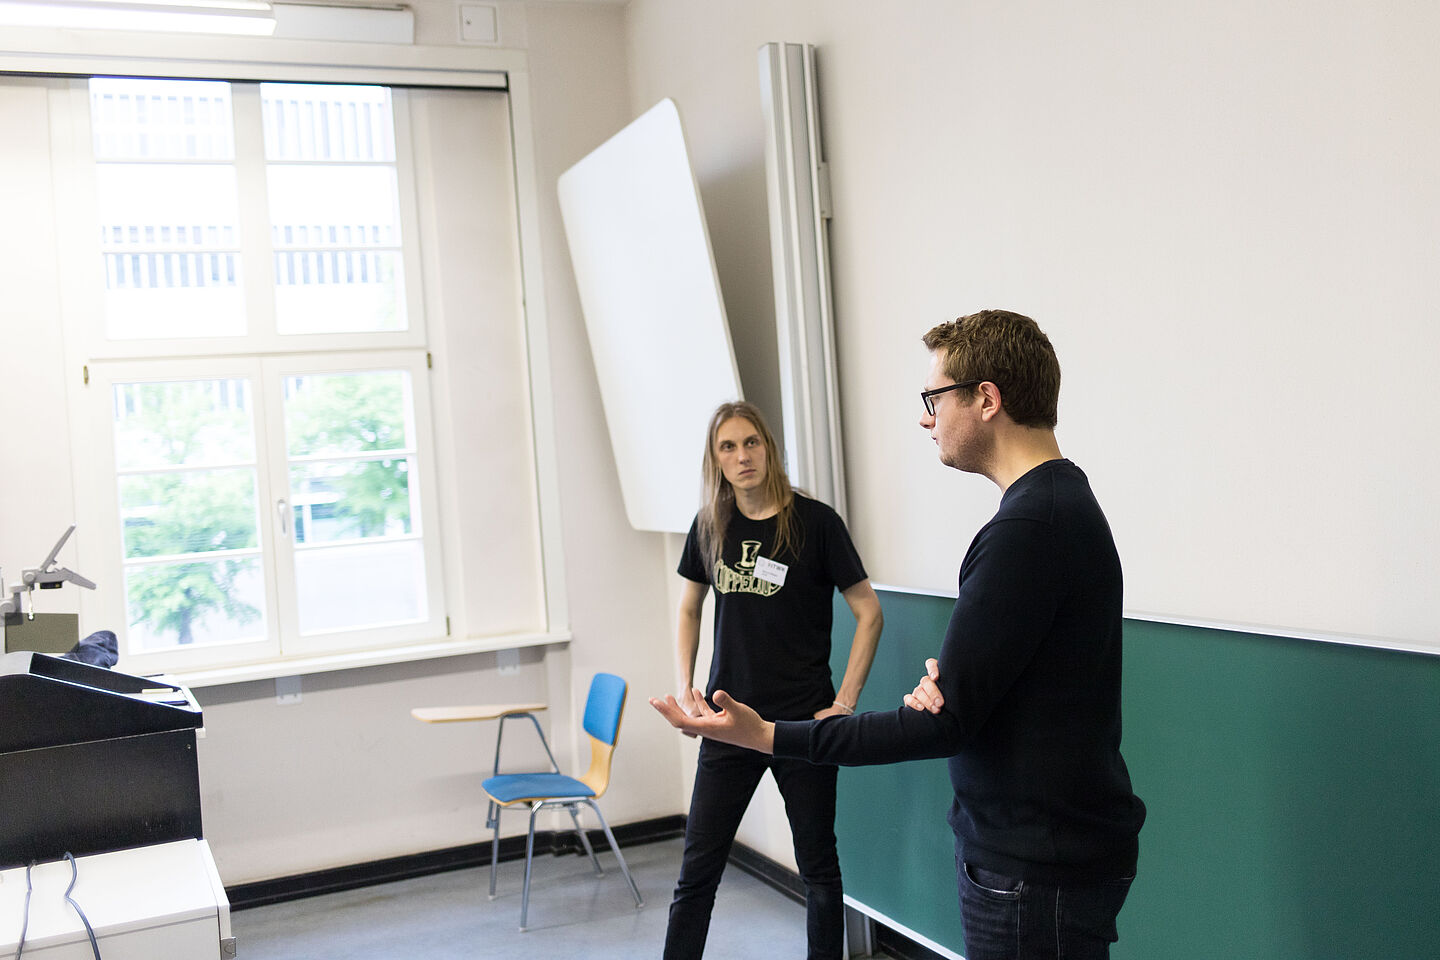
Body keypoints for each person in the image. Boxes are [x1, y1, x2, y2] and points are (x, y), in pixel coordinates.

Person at [652, 311, 1146, 960]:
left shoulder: (1027, 530)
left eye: (934, 398)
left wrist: (768, 734)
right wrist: (959, 684)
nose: (925, 417)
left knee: (818, 864)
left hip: (1032, 871)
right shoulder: (1057, 506)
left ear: (986, 399)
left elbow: (943, 720)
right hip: (1042, 856)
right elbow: (1007, 687)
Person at [662, 400, 883, 960]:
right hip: (728, 722)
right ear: (716, 460)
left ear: (769, 447)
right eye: (728, 447)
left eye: (751, 443)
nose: (742, 457)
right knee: (698, 872)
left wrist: (844, 702)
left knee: (818, 870)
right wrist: (686, 684)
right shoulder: (711, 525)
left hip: (802, 727)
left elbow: (869, 611)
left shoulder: (816, 523)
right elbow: (689, 606)